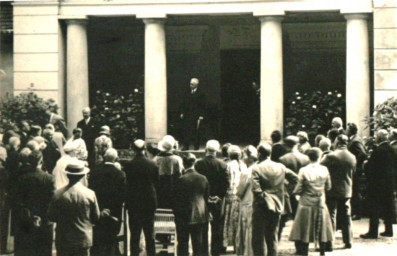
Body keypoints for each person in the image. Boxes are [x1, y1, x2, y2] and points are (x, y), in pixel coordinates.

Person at [251, 143, 298, 256]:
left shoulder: (256, 168)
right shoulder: (280, 167)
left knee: (258, 237)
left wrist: (264, 198)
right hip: (277, 204)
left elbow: (256, 189)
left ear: (259, 154)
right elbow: (296, 179)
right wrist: (287, 191)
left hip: (261, 206)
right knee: (272, 236)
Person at [48, 159, 100, 256]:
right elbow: (96, 217)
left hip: (64, 239)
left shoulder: (58, 194)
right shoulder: (90, 194)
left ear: (67, 175)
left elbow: (51, 216)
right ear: (82, 176)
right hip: (83, 239)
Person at [289, 148, 334, 256]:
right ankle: (322, 251)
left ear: (308, 157)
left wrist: (294, 193)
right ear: (319, 157)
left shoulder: (304, 170)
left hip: (306, 202)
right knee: (322, 226)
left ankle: (304, 251)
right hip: (320, 202)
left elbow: (298, 188)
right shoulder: (324, 169)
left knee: (305, 227)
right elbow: (328, 187)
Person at [13, 148, 55, 256]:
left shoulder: (22, 178)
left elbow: (18, 201)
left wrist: (32, 215)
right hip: (45, 220)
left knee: (27, 249)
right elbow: (52, 201)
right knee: (44, 250)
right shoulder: (49, 178)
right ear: (41, 161)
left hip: (26, 219)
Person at [195, 140, 230, 256]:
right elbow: (226, 183)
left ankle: (204, 252)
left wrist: (205, 196)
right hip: (217, 200)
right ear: (217, 151)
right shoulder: (223, 165)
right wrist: (218, 197)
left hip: (202, 199)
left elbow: (197, 182)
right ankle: (215, 252)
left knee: (203, 227)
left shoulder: (199, 164)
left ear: (206, 149)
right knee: (217, 227)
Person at [321, 134, 356, 250]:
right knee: (346, 215)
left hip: (332, 189)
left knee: (331, 215)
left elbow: (320, 167)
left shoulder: (331, 156)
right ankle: (348, 241)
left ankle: (329, 243)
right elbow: (353, 172)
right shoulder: (352, 156)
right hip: (347, 189)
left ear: (337, 142)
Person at [124, 140, 158, 256]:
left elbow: (127, 183)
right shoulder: (152, 164)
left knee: (135, 234)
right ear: (145, 149)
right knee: (150, 234)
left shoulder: (128, 165)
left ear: (133, 149)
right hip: (148, 201)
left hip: (134, 202)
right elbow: (156, 181)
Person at [90, 148, 126, 256]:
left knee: (97, 238)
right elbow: (122, 195)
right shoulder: (120, 174)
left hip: (98, 208)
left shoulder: (95, 171)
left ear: (105, 157)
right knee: (111, 238)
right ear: (116, 158)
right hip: (114, 211)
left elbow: (91, 190)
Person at [361, 129, 395, 238]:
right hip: (389, 183)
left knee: (374, 207)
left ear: (379, 138)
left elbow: (371, 167)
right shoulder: (391, 149)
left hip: (377, 184)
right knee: (388, 206)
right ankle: (389, 230)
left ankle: (373, 231)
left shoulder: (378, 150)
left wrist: (366, 164)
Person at [174, 153, 209, 256]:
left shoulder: (181, 179)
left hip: (183, 214)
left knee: (183, 242)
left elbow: (176, 198)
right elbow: (206, 197)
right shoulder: (203, 178)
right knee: (197, 242)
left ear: (184, 164)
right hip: (199, 213)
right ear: (194, 162)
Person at [278, 136, 309, 238]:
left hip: (288, 192)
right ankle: (301, 245)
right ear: (297, 145)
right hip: (302, 191)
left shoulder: (282, 159)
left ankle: (276, 242)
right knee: (301, 219)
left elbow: (282, 177)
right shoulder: (306, 158)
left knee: (282, 219)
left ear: (286, 146)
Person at [235, 146, 258, 256]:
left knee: (247, 229)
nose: (242, 158)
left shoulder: (247, 172)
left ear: (250, 157)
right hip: (256, 203)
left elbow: (240, 191)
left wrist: (237, 195)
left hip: (247, 203)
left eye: (244, 155)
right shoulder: (259, 169)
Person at [223, 145, 247, 250]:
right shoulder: (244, 165)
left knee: (229, 220)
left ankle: (229, 243)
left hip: (231, 194)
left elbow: (228, 180)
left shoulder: (228, 165)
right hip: (241, 194)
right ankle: (239, 245)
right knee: (238, 220)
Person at [153, 135, 183, 209]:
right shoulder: (177, 159)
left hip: (159, 184)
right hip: (173, 183)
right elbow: (180, 173)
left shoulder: (156, 159)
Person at [346, 123, 367, 220]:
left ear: (351, 130)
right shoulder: (354, 139)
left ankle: (357, 212)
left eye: (347, 129)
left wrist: (355, 163)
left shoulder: (356, 141)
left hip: (356, 170)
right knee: (354, 190)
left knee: (355, 190)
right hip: (355, 169)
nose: (346, 130)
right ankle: (355, 212)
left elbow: (362, 154)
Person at [179, 78, 207, 150]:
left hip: (196, 115)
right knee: (186, 130)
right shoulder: (187, 92)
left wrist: (201, 115)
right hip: (187, 115)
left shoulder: (201, 93)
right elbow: (183, 103)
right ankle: (186, 146)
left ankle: (196, 146)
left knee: (196, 131)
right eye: (190, 83)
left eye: (192, 84)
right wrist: (182, 112)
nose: (190, 85)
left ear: (196, 85)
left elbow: (203, 105)